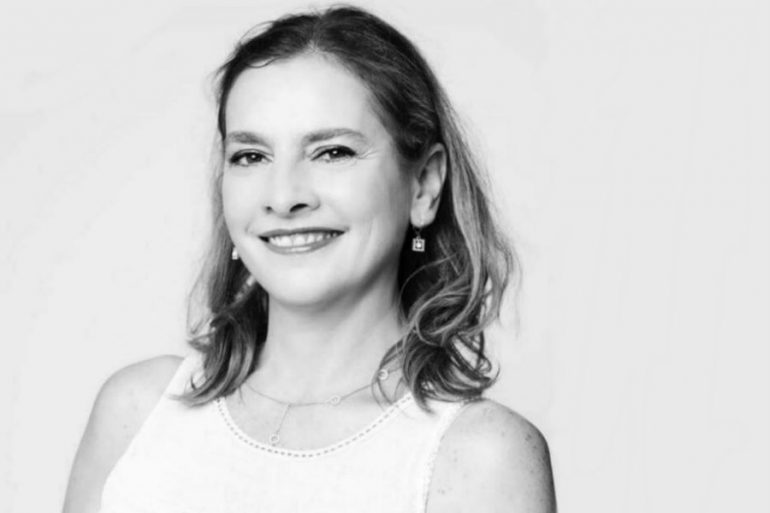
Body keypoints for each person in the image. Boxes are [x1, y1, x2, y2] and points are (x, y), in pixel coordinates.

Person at [63, 5, 556, 512]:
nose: (283, 197)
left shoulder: (478, 456)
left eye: (333, 152)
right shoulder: (136, 413)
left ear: (424, 186)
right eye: (251, 156)